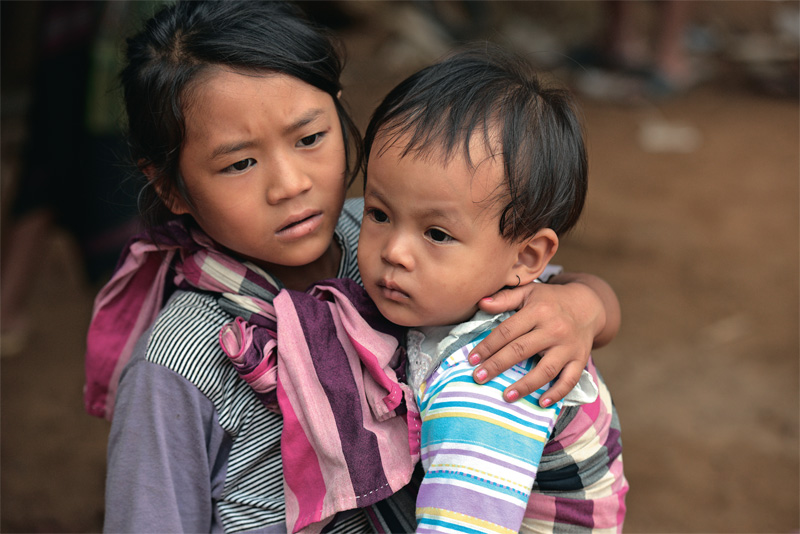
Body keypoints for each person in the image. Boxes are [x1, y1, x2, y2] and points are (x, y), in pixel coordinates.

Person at [84, 2, 621, 532]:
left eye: (310, 138)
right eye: (240, 163)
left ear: (339, 115)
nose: (290, 184)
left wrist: (583, 307)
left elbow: (541, 279)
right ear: (168, 186)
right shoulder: (178, 362)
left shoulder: (391, 237)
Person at [356, 47, 628, 532]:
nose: (393, 251)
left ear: (525, 259)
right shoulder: (497, 288)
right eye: (378, 214)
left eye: (437, 234)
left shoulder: (488, 380)